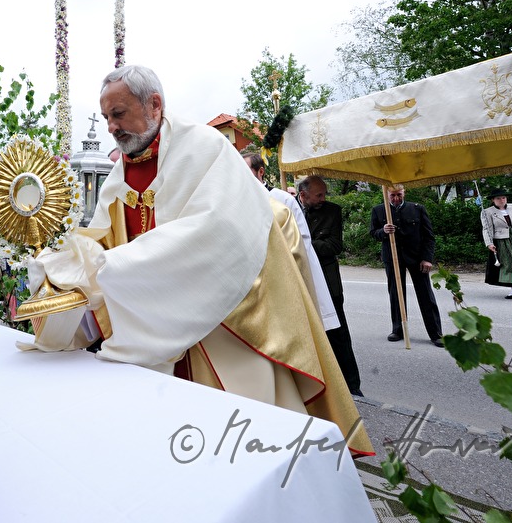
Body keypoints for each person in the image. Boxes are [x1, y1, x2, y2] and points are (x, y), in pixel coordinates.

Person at [24, 64, 372, 455]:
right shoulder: (121, 171)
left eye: (118, 114)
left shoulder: (204, 147)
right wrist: (61, 271)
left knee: (236, 445)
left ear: (154, 105)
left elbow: (219, 230)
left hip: (219, 325)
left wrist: (113, 269)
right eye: (106, 117)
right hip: (150, 321)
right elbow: (101, 240)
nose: (111, 126)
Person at [241, 153, 341, 334]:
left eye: (245, 170)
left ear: (260, 171)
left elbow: (301, 241)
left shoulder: (281, 199)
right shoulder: (238, 201)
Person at [298, 175, 364, 397]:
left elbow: (334, 245)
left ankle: (352, 384)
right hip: (302, 281)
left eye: (324, 193)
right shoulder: (290, 210)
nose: (323, 198)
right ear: (303, 195)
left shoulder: (332, 211)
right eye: (319, 195)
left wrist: (303, 243)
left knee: (338, 333)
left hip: (328, 281)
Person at [369, 184, 445, 347]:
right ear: (387, 194)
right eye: (392, 195)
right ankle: (398, 329)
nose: (396, 199)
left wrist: (427, 258)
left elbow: (429, 237)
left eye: (399, 195)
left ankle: (436, 333)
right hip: (392, 258)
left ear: (404, 193)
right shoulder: (379, 210)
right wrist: (383, 231)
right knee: (396, 294)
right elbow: (373, 233)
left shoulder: (417, 209)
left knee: (425, 294)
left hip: (417, 258)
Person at [480, 188, 512, 299]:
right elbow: (487, 229)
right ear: (493, 200)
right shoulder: (487, 212)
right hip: (503, 241)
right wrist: (489, 243)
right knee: (510, 265)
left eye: (503, 197)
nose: (502, 200)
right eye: (498, 198)